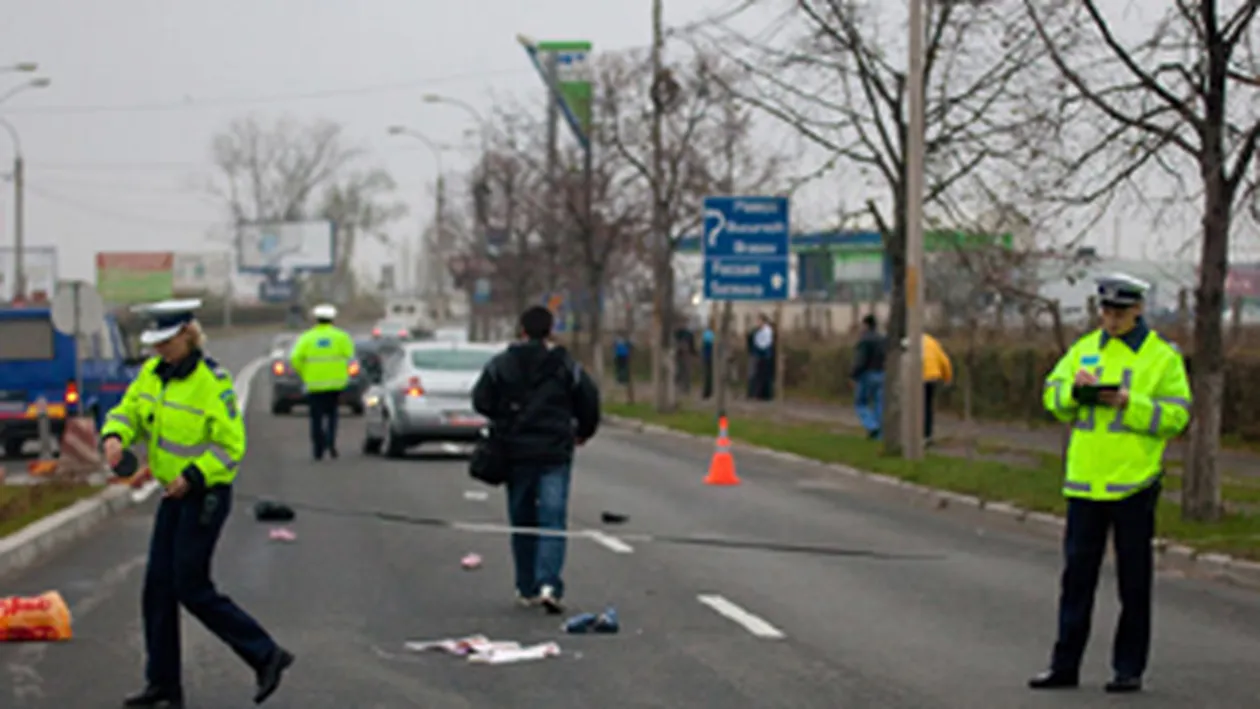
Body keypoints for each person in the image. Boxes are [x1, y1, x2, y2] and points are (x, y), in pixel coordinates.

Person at [101, 299, 293, 708]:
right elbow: (129, 411)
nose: (159, 350)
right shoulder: (153, 374)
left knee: (191, 587)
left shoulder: (213, 382)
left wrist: (193, 476)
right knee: (157, 589)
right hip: (172, 495)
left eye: (167, 342)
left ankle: (266, 654)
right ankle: (163, 686)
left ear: (188, 336)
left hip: (205, 496)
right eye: (156, 343)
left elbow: (230, 446)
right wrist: (114, 436)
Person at [1028, 273, 1191, 694]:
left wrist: (1128, 402)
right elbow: (1051, 395)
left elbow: (1176, 416)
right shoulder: (1085, 349)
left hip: (1133, 483)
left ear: (1138, 310)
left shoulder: (1161, 357)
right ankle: (1064, 665)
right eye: (1106, 311)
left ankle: (1128, 669)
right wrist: (1073, 393)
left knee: (1133, 583)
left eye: (1120, 312)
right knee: (1076, 581)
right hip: (1085, 483)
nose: (1112, 319)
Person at [472, 306, 601, 614]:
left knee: (522, 520)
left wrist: (505, 418)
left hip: (516, 452)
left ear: (522, 330)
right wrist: (582, 431)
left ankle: (526, 585)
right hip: (554, 451)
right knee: (553, 519)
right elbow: (589, 399)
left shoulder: (502, 364)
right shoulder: (565, 365)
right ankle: (549, 584)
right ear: (550, 330)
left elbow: (481, 400)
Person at [290, 303, 355, 460]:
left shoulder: (307, 337)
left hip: (314, 384)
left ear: (316, 319)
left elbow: (295, 359)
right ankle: (330, 442)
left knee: (316, 417)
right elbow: (350, 357)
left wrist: (304, 373)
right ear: (333, 319)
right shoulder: (341, 337)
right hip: (336, 384)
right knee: (332, 414)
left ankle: (318, 448)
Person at [851, 314, 887, 439]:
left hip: (867, 374)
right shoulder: (883, 339)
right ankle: (879, 434)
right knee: (879, 404)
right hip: (882, 373)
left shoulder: (864, 340)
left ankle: (872, 426)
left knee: (860, 403)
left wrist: (854, 375)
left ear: (866, 325)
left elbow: (860, 360)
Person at [922, 332, 952, 444]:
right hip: (932, 377)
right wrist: (947, 378)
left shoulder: (910, 342)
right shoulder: (933, 343)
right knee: (928, 406)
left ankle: (916, 433)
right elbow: (944, 361)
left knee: (917, 406)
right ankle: (928, 434)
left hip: (918, 378)